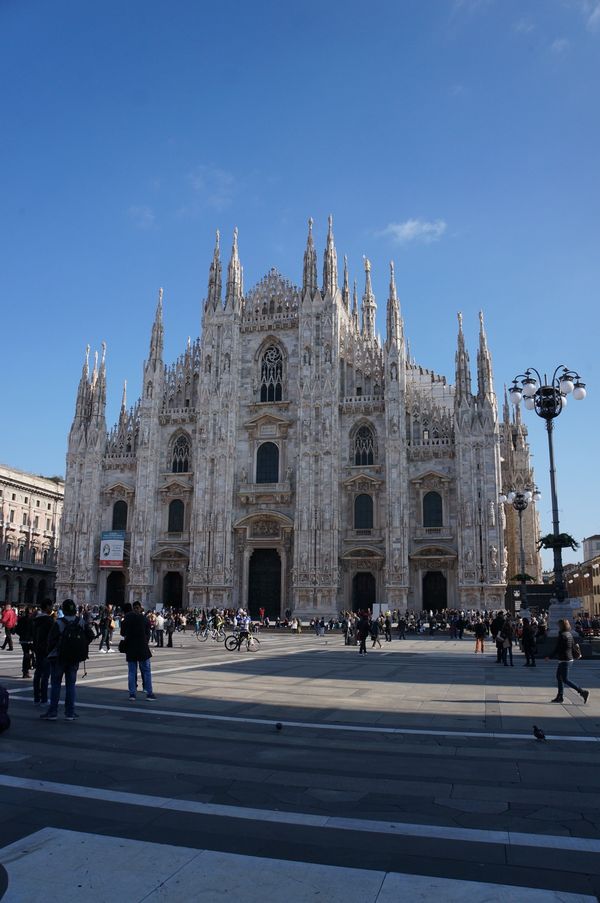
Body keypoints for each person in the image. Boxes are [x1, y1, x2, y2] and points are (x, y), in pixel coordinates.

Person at [41, 598, 94, 721]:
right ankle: (70, 713)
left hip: (59, 657)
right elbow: (90, 636)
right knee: (71, 685)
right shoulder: (80, 622)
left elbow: (51, 641)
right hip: (74, 657)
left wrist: (51, 651)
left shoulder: (58, 623)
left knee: (55, 685)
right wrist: (81, 646)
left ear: (63, 610)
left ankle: (53, 712)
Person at [547, 618, 590, 704]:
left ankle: (582, 692)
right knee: (559, 677)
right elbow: (573, 646)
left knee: (565, 679)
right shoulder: (569, 634)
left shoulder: (562, 635)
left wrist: (549, 656)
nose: (558, 626)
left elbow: (558, 648)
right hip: (568, 659)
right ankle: (560, 696)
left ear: (561, 626)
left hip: (564, 659)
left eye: (559, 625)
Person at [120, 602, 155, 700]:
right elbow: (148, 634)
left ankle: (132, 694)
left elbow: (122, 633)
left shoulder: (127, 619)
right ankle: (149, 693)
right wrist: (144, 641)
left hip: (131, 648)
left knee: (132, 672)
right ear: (140, 608)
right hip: (142, 648)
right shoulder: (144, 619)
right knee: (146, 671)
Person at [32, 599, 55, 705]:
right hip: (46, 650)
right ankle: (44, 698)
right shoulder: (49, 621)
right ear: (46, 607)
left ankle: (36, 697)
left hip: (37, 649)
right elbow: (53, 636)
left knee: (37, 674)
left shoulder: (35, 619)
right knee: (45, 675)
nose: (52, 608)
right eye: (51, 606)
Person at [15, 606, 35, 678]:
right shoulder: (33, 620)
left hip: (23, 640)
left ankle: (25, 671)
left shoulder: (21, 619)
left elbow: (17, 629)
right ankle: (31, 667)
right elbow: (34, 631)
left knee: (26, 655)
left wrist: (21, 634)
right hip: (31, 640)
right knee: (32, 654)